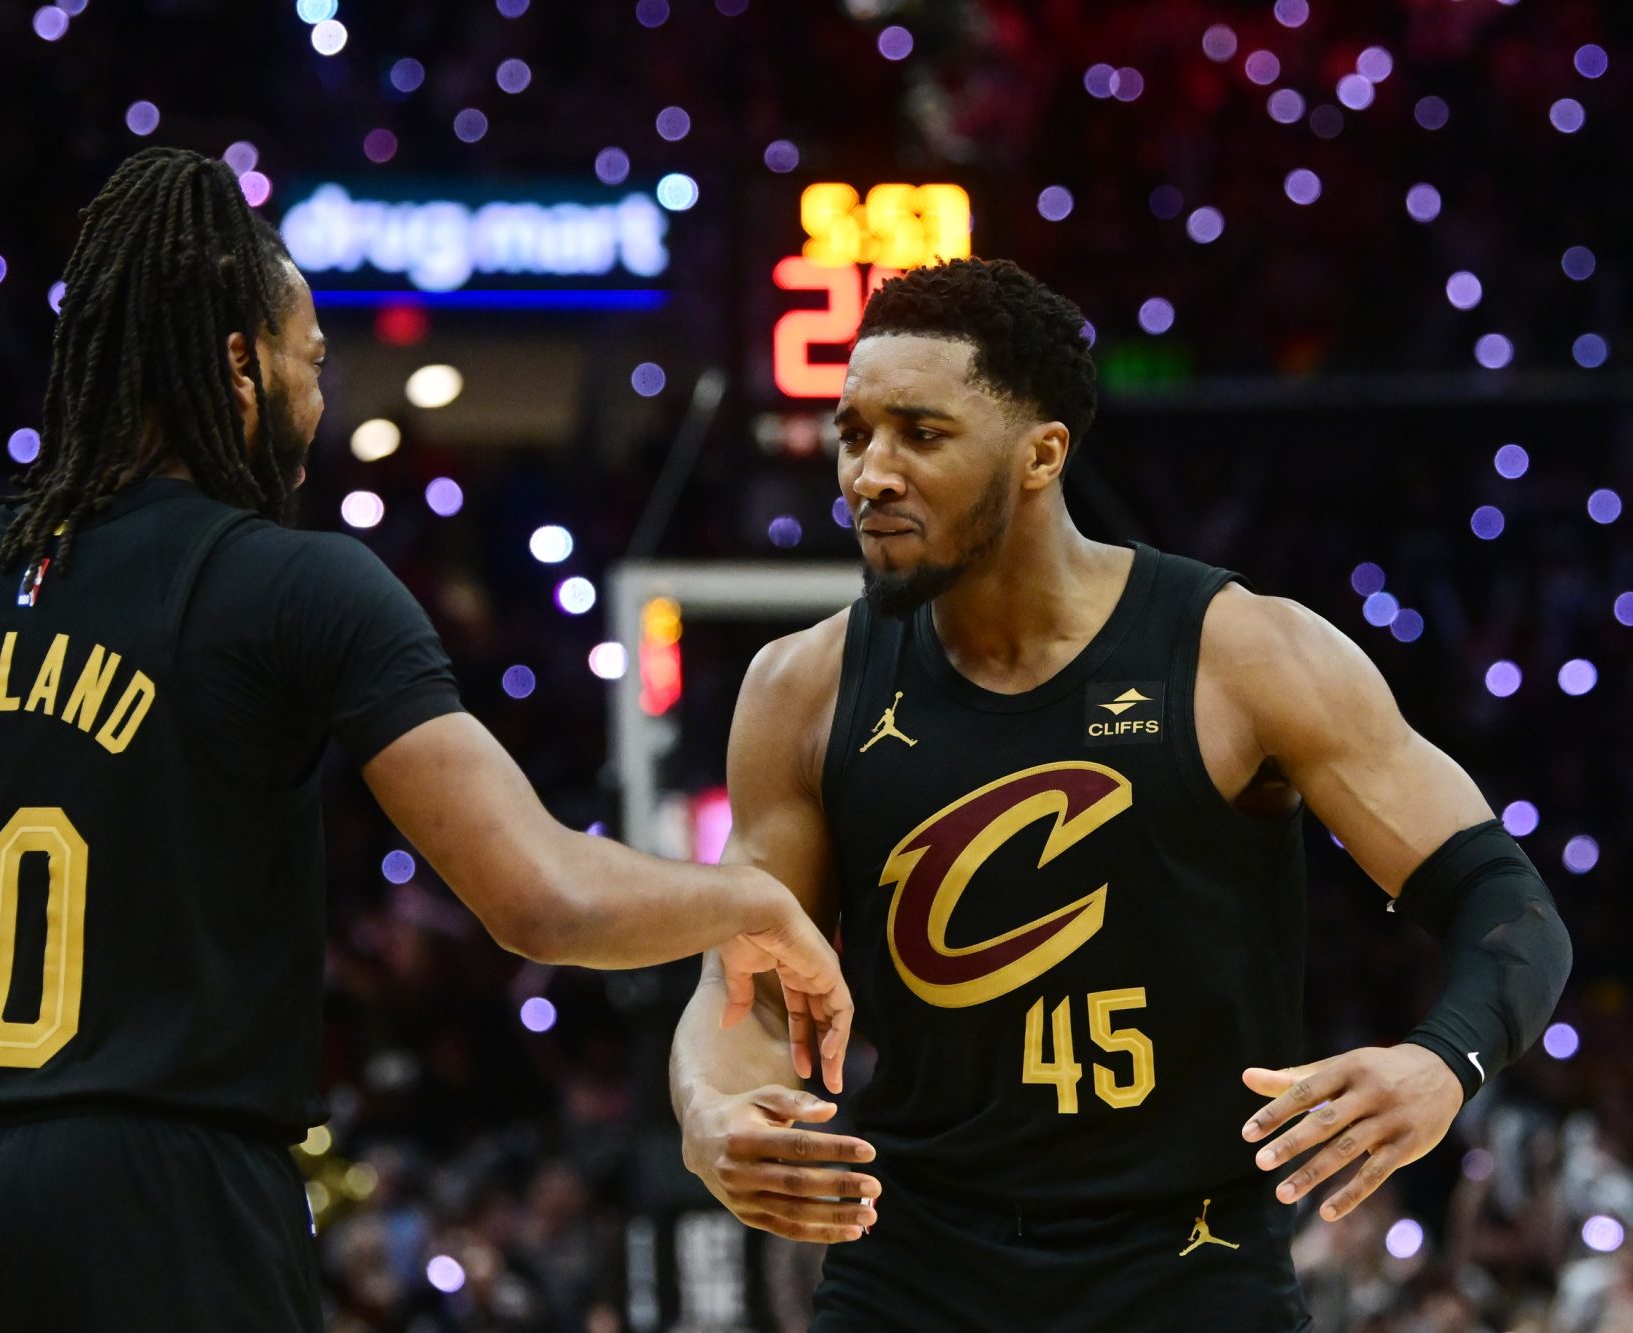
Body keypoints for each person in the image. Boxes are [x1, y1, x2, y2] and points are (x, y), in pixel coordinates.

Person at [0, 147, 852, 1333]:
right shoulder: (297, 584)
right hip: (170, 1198)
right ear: (239, 366)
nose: (320, 404)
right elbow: (538, 896)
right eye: (310, 363)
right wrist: (747, 902)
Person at [668, 257, 1573, 1331]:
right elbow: (750, 986)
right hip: (914, 1269)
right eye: (853, 432)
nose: (868, 472)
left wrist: (1440, 1061)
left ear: (1042, 451)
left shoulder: (1242, 654)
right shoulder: (801, 688)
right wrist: (710, 1112)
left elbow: (1503, 902)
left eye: (920, 432)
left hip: (1187, 1266)